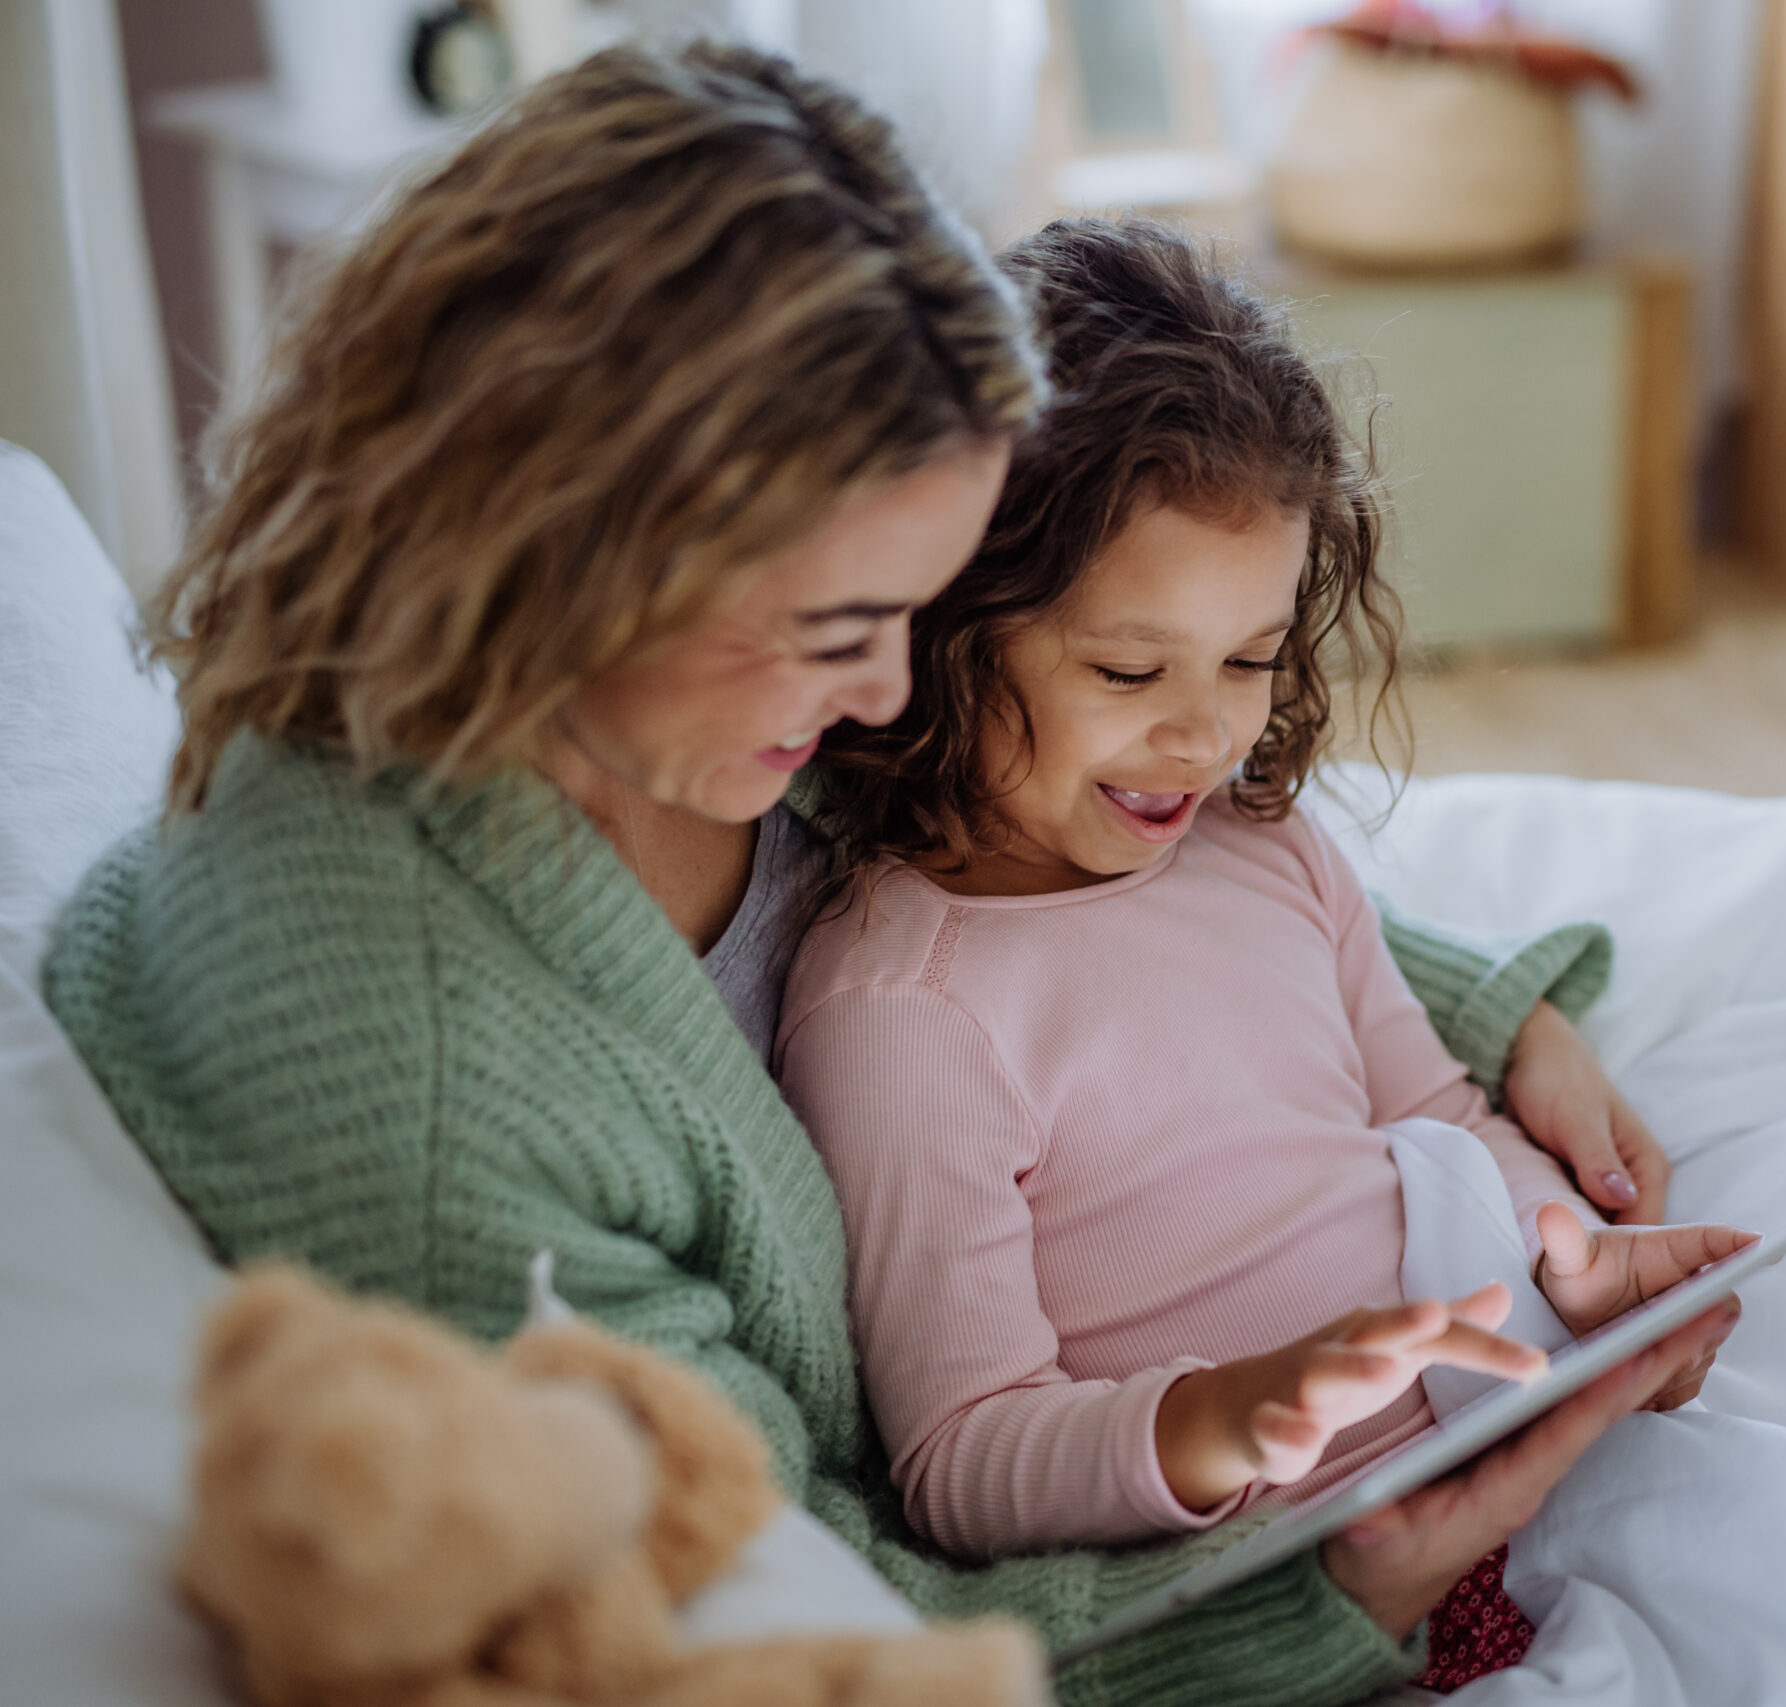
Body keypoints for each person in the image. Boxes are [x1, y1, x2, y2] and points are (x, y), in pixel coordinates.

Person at [41, 43, 1684, 1707]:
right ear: (577, 546)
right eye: (844, 630)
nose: (894, 695)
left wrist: (1478, 1019)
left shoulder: (700, 687)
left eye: (917, 608)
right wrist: (1299, 1608)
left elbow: (1092, 839)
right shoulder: (439, 1092)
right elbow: (797, 1559)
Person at [778, 219, 1747, 1685]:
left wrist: (1580, 1260)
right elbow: (964, 1460)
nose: (1207, 733)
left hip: (1524, 1458)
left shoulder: (1267, 852)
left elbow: (1436, 1118)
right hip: (1304, 1594)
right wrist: (1223, 1417)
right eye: (1126, 670)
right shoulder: (904, 1009)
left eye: (1251, 659)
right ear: (937, 628)